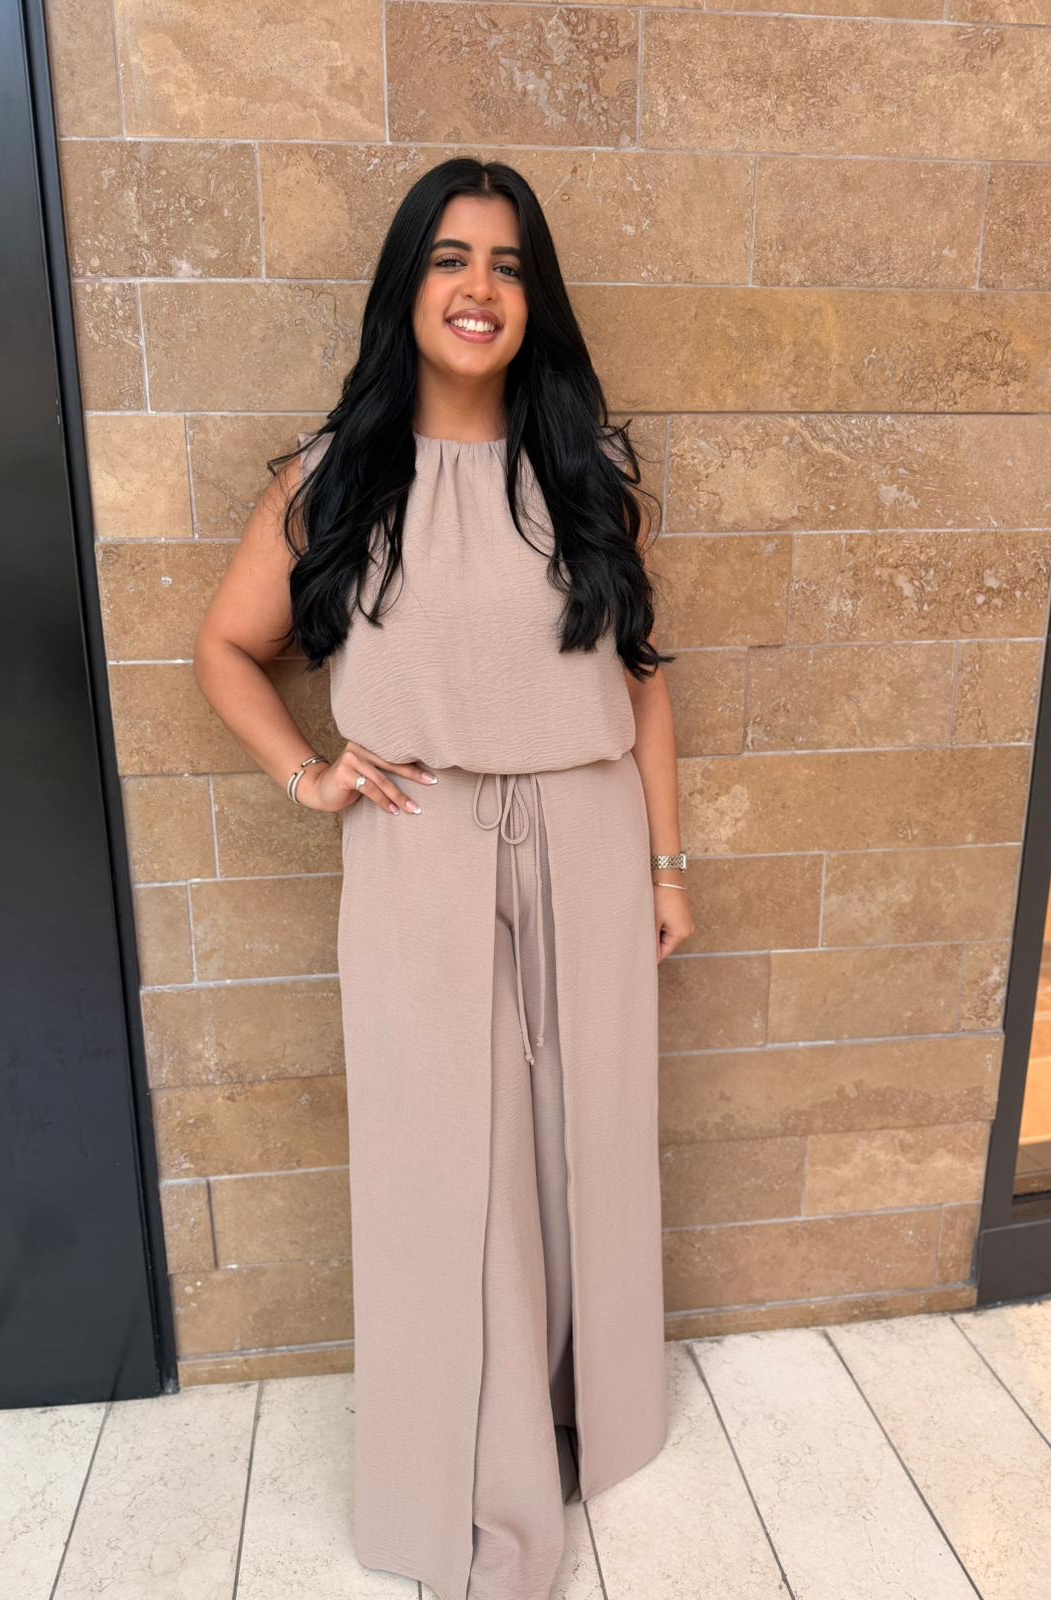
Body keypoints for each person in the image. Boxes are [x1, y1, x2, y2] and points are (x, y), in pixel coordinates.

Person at [193, 156, 694, 1600]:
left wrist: (666, 866)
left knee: (584, 1144)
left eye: (509, 265)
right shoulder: (336, 482)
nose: (481, 289)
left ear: (536, 300)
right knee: (445, 1171)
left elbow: (644, 682)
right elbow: (225, 649)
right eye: (452, 259)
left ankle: (586, 1415)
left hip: (589, 838)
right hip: (418, 848)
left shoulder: (585, 478)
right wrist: (309, 775)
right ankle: (472, 1488)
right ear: (407, 287)